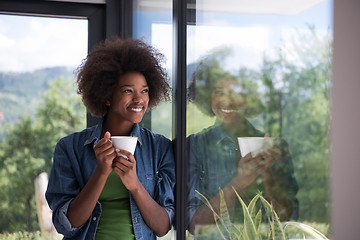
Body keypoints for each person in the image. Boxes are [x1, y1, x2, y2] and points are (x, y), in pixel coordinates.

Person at [45, 37, 175, 240]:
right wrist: (101, 172)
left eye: (144, 91)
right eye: (127, 91)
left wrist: (134, 185)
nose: (139, 99)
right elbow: (66, 225)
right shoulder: (69, 148)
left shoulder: (160, 148)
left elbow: (162, 227)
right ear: (106, 96)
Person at [186, 52, 298, 236]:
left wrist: (269, 176)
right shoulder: (193, 146)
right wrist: (238, 183)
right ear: (207, 97)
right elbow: (193, 224)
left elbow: (288, 219)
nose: (226, 100)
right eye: (218, 92)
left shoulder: (275, 146)